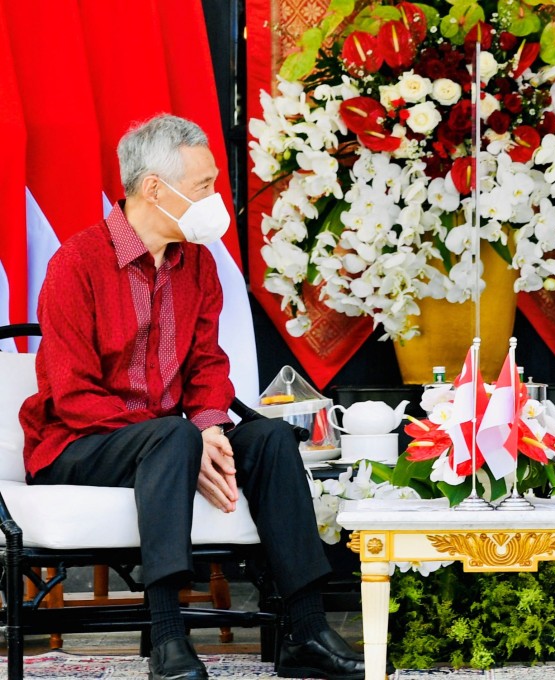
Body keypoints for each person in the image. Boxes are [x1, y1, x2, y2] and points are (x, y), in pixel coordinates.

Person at [20, 114, 365, 680]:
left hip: (170, 442)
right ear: (155, 188)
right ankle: (168, 639)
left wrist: (208, 429)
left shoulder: (196, 262)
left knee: (271, 439)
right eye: (203, 185)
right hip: (78, 443)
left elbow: (207, 363)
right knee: (172, 435)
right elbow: (73, 394)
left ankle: (305, 632)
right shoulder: (76, 263)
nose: (214, 199)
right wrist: (179, 438)